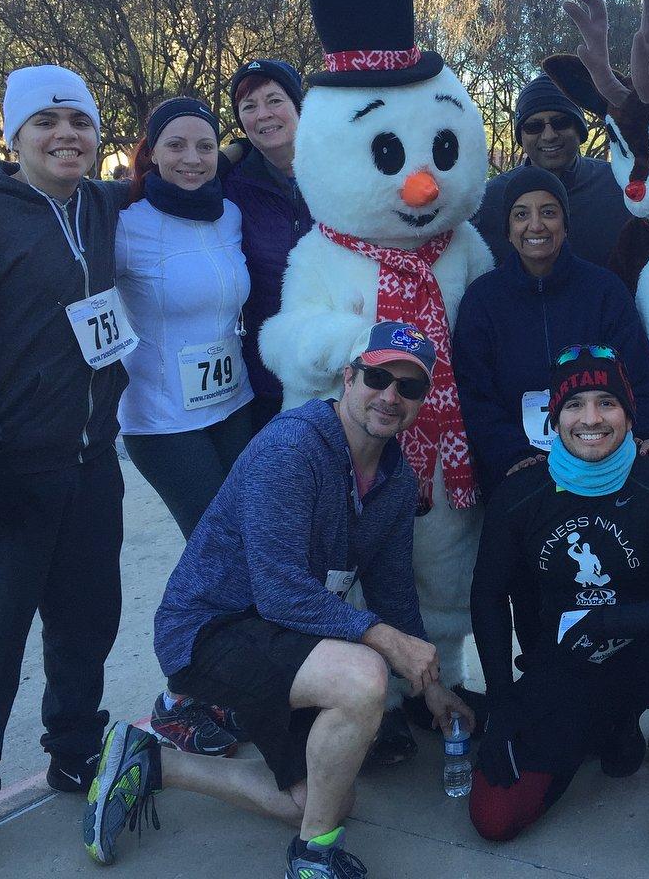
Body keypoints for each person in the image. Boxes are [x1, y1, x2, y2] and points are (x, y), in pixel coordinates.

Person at [83, 321, 473, 879]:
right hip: (210, 631)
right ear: (349, 377)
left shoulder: (396, 481)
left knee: (322, 802)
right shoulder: (293, 447)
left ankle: (152, 763)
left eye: (408, 388)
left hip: (284, 635)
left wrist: (432, 686)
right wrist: (386, 644)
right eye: (378, 377)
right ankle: (313, 858)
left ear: (420, 402)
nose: (390, 396)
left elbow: (393, 595)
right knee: (363, 676)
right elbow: (280, 591)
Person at [469, 346, 649, 879]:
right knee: (493, 819)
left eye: (607, 402)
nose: (591, 419)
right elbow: (488, 597)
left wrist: (606, 621)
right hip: (562, 672)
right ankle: (608, 730)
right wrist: (500, 705)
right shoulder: (523, 490)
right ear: (554, 417)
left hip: (646, 660)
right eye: (575, 405)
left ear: (629, 413)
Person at [0, 66, 132, 870]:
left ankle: (74, 745)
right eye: (47, 122)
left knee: (86, 619)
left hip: (92, 459)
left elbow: (187, 171)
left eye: (80, 122)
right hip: (10, 467)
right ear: (14, 135)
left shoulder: (100, 205)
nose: (67, 134)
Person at [116, 97, 255, 756]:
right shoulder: (124, 219)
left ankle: (229, 689)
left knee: (254, 548)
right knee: (216, 554)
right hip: (162, 420)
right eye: (176, 145)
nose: (192, 158)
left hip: (233, 406)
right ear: (152, 152)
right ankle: (178, 699)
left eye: (204, 145)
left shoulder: (230, 212)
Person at [455, 166, 649, 499]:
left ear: (565, 225)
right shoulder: (482, 300)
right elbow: (474, 394)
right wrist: (511, 454)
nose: (536, 225)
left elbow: (638, 373)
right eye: (521, 214)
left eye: (549, 212)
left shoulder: (604, 290)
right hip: (516, 469)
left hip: (603, 459)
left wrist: (648, 433)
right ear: (508, 230)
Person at [223, 59, 311, 433]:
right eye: (249, 106)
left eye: (274, 100)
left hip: (342, 364)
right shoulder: (229, 186)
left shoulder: (344, 171)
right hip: (265, 377)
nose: (264, 115)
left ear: (298, 105)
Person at [472, 74, 632, 268]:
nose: (549, 135)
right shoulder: (489, 200)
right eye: (534, 126)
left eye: (561, 122)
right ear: (521, 136)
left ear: (579, 129)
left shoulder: (619, 185)